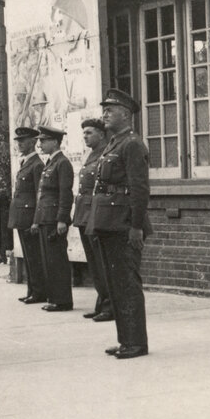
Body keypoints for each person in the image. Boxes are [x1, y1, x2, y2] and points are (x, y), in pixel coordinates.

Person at [88, 88, 152, 360]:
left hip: (125, 224)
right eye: (104, 110)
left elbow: (139, 188)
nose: (105, 114)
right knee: (115, 285)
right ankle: (125, 339)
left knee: (127, 284)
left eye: (110, 110)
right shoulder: (114, 143)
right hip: (108, 222)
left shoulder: (133, 144)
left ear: (125, 114)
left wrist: (136, 226)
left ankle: (136, 342)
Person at [30, 126, 75, 311]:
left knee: (57, 261)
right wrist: (37, 219)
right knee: (49, 260)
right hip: (45, 218)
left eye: (43, 140)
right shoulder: (50, 163)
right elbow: (42, 195)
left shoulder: (62, 163)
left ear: (55, 142)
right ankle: (54, 297)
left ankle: (62, 300)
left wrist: (62, 219)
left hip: (54, 219)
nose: (40, 144)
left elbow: (65, 193)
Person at [74, 118, 113, 322]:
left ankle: (109, 306)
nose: (85, 136)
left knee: (101, 262)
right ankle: (101, 302)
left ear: (101, 134)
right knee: (94, 263)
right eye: (84, 133)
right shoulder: (92, 155)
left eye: (89, 132)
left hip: (95, 214)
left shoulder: (105, 154)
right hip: (84, 214)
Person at [8, 127, 47, 304]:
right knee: (28, 255)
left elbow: (40, 194)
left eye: (23, 141)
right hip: (22, 216)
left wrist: (36, 220)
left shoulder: (37, 164)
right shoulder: (25, 163)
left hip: (30, 216)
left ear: (33, 142)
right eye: (18, 141)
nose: (20, 144)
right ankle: (32, 290)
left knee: (34, 256)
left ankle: (38, 292)